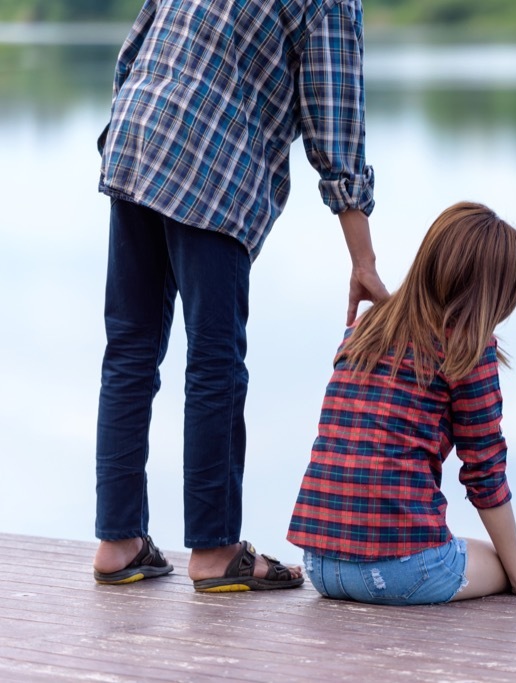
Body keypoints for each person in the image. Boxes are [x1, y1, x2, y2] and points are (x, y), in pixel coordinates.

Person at [91, 0, 387, 592]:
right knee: (215, 363)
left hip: (137, 136)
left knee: (129, 349)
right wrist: (363, 257)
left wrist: (138, 124)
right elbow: (334, 121)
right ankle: (215, 550)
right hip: (212, 162)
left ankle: (118, 542)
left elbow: (135, 48)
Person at [287, 202, 516, 605]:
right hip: (396, 571)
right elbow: (485, 472)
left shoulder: (366, 326)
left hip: (320, 565)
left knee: (479, 554)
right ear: (496, 292)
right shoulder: (467, 348)